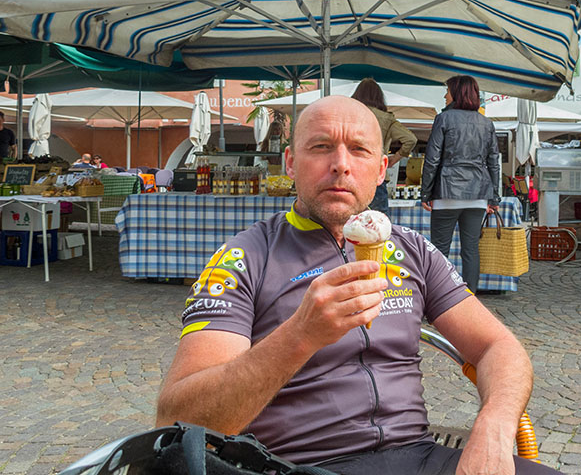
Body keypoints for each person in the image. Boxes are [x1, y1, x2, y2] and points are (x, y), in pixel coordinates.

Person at [156, 96, 558, 475]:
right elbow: (179, 418)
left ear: (381, 170)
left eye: (359, 150)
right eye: (321, 147)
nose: (341, 165)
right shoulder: (244, 258)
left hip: (418, 457)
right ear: (291, 163)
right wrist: (299, 335)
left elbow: (499, 347)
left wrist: (494, 425)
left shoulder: (412, 249)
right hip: (297, 464)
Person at [420, 76, 500, 294]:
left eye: (447, 91)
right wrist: (494, 198)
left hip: (448, 191)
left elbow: (432, 159)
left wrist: (425, 193)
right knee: (471, 249)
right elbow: (494, 162)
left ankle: (437, 296)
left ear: (456, 93)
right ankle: (470, 297)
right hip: (478, 193)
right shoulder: (486, 123)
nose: (445, 95)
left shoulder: (443, 118)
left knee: (439, 250)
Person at [351, 78, 417, 213]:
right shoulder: (387, 119)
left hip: (351, 174)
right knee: (378, 224)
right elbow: (411, 139)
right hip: (376, 177)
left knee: (347, 222)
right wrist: (396, 158)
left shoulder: (348, 114)